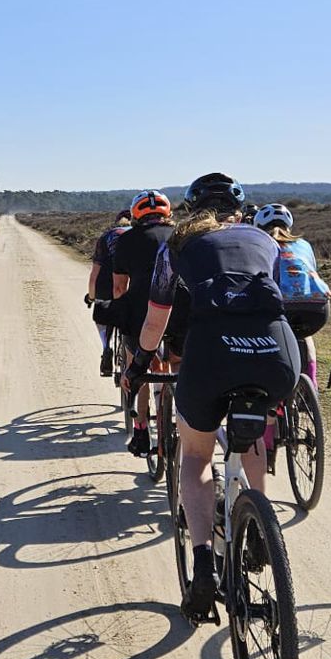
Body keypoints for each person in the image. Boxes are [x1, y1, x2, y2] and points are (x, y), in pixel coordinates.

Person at [126, 173, 300, 622]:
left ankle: (202, 561)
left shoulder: (178, 246)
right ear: (240, 213)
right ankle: (260, 528)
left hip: (210, 355)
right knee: (253, 432)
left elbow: (156, 319)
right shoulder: (265, 239)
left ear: (190, 212)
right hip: (276, 355)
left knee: (198, 456)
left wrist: (140, 364)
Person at [112, 190, 174, 457]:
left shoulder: (125, 241)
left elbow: (118, 288)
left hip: (140, 315)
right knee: (178, 365)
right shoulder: (180, 236)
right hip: (178, 314)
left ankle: (140, 431)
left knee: (137, 366)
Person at [254, 203, 330, 387]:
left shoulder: (261, 244)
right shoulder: (304, 244)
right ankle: (310, 384)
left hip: (281, 305)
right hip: (317, 306)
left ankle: (274, 391)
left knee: (266, 340)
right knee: (305, 337)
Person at [85, 209, 133, 376]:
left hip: (106, 285)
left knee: (101, 314)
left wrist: (91, 297)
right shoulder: (138, 235)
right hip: (131, 285)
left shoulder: (106, 237)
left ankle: (106, 347)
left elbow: (94, 276)